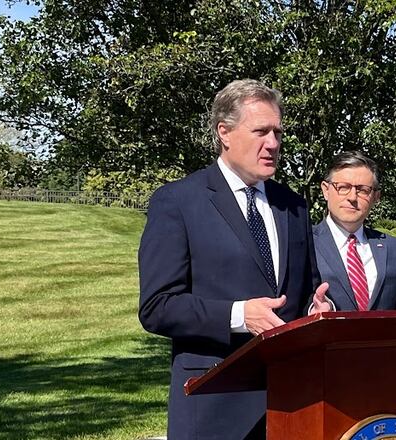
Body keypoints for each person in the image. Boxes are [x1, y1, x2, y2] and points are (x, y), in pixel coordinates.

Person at [138, 79, 330, 440]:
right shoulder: (178, 202)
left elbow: (304, 292)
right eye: (261, 131)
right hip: (215, 403)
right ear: (224, 132)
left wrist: (317, 310)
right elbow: (157, 307)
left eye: (277, 132)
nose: (273, 143)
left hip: (293, 403)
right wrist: (241, 315)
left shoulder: (293, 206)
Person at [313, 151, 396, 311]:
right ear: (325, 190)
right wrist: (313, 310)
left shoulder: (395, 249)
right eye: (343, 187)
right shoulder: (304, 243)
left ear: (376, 197)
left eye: (362, 190)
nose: (352, 197)